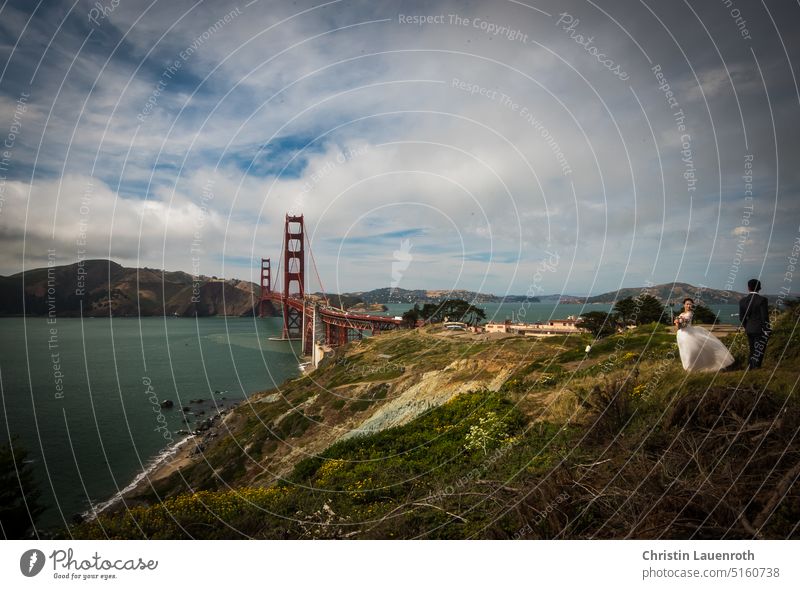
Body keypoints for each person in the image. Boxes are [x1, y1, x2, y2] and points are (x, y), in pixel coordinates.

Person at [674, 298, 734, 372]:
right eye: (687, 304)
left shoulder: (690, 313)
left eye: (690, 304)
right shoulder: (681, 314)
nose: (688, 305)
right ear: (684, 305)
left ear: (692, 305)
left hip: (688, 334)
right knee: (683, 351)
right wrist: (677, 323)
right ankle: (687, 366)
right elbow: (678, 327)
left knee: (691, 351)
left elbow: (685, 324)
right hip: (681, 335)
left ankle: (692, 367)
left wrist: (680, 321)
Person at [738, 278, 771, 369]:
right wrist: (767, 330)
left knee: (752, 349)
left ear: (748, 288)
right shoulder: (762, 300)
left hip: (749, 329)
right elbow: (765, 317)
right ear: (759, 288)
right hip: (760, 329)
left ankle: (750, 367)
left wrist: (747, 326)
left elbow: (741, 318)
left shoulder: (742, 301)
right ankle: (756, 368)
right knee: (759, 349)